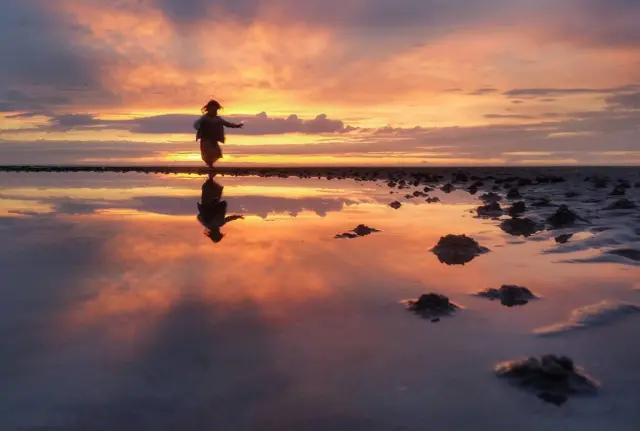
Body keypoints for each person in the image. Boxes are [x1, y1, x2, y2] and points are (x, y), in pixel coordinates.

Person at [193, 100, 243, 167]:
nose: (215, 112)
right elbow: (196, 124)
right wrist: (199, 128)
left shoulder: (218, 119)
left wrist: (236, 126)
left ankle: (210, 164)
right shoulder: (204, 118)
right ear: (208, 109)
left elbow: (227, 123)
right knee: (207, 153)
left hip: (214, 139)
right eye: (213, 110)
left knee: (217, 152)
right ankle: (210, 165)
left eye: (216, 110)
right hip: (205, 138)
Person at [197, 173, 244, 243]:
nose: (219, 231)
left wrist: (207, 213)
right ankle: (210, 171)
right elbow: (199, 217)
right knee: (211, 185)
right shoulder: (213, 224)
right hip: (211, 201)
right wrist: (237, 217)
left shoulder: (214, 223)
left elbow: (199, 216)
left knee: (211, 186)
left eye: (219, 233)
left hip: (209, 201)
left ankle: (210, 170)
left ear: (215, 233)